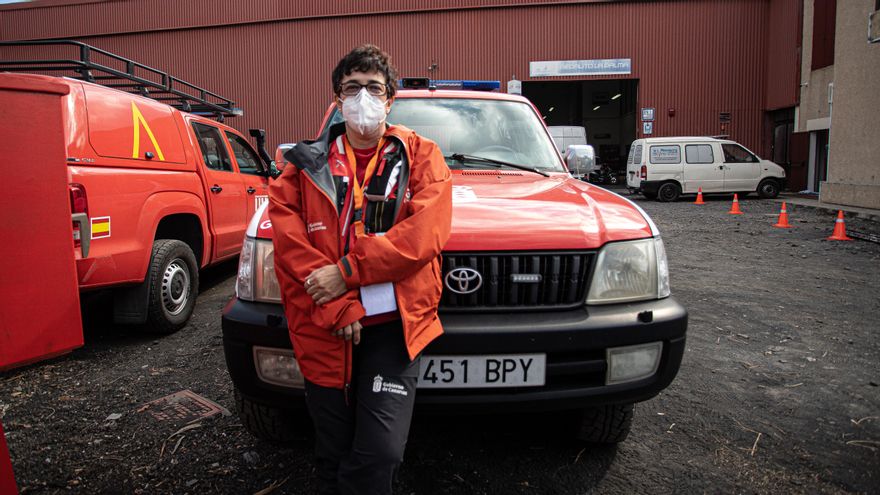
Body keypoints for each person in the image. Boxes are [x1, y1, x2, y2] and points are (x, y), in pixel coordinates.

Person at [267, 44, 453, 495]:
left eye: (374, 87)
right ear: (337, 99)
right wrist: (338, 306)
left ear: (390, 100)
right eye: (352, 88)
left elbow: (422, 237)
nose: (363, 97)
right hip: (323, 326)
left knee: (380, 452)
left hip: (394, 328)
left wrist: (347, 271)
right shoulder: (303, 166)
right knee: (333, 450)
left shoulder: (422, 155)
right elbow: (290, 250)